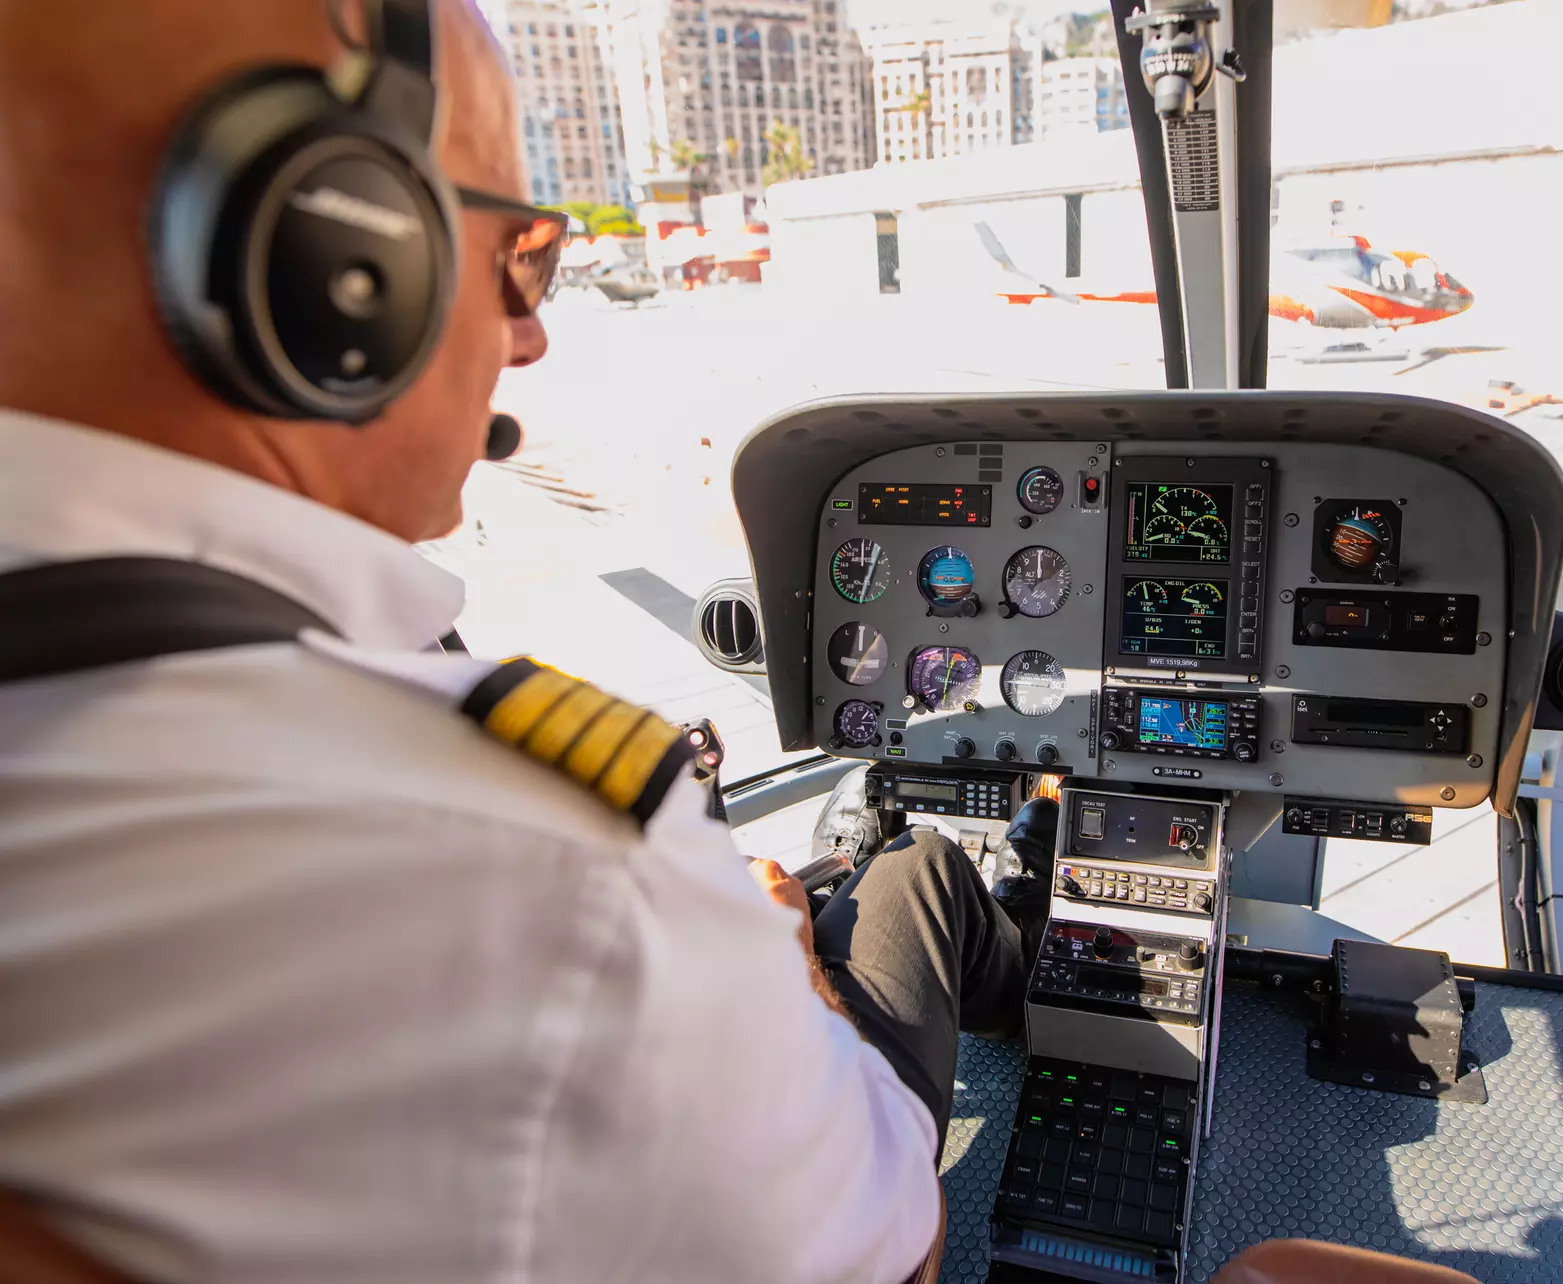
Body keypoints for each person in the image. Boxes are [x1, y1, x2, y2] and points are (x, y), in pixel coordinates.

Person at [0, 2, 1050, 1280]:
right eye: (524, 259)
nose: (532, 332)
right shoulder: (547, 876)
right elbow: (896, 1248)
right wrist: (788, 986)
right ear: (341, 254)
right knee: (924, 876)